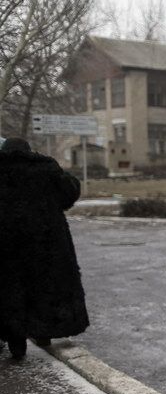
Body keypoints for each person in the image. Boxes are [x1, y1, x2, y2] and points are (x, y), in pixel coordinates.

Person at [0, 137, 89, 359]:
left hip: (6, 245)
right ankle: (44, 333)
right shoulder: (45, 167)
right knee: (44, 287)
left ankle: (16, 342)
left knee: (11, 291)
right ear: (29, 151)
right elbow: (69, 192)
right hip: (44, 242)